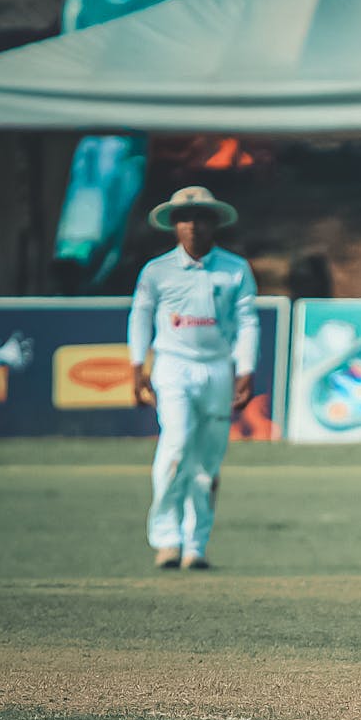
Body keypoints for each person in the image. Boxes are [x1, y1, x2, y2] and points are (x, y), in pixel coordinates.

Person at [128, 185, 259, 570]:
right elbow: (140, 316)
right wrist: (138, 366)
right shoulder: (157, 271)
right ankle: (166, 538)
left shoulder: (235, 269)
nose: (193, 226)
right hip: (172, 365)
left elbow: (248, 321)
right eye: (185, 218)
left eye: (202, 217)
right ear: (173, 225)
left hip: (217, 368)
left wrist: (245, 369)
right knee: (177, 446)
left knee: (208, 464)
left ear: (214, 222)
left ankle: (195, 545)